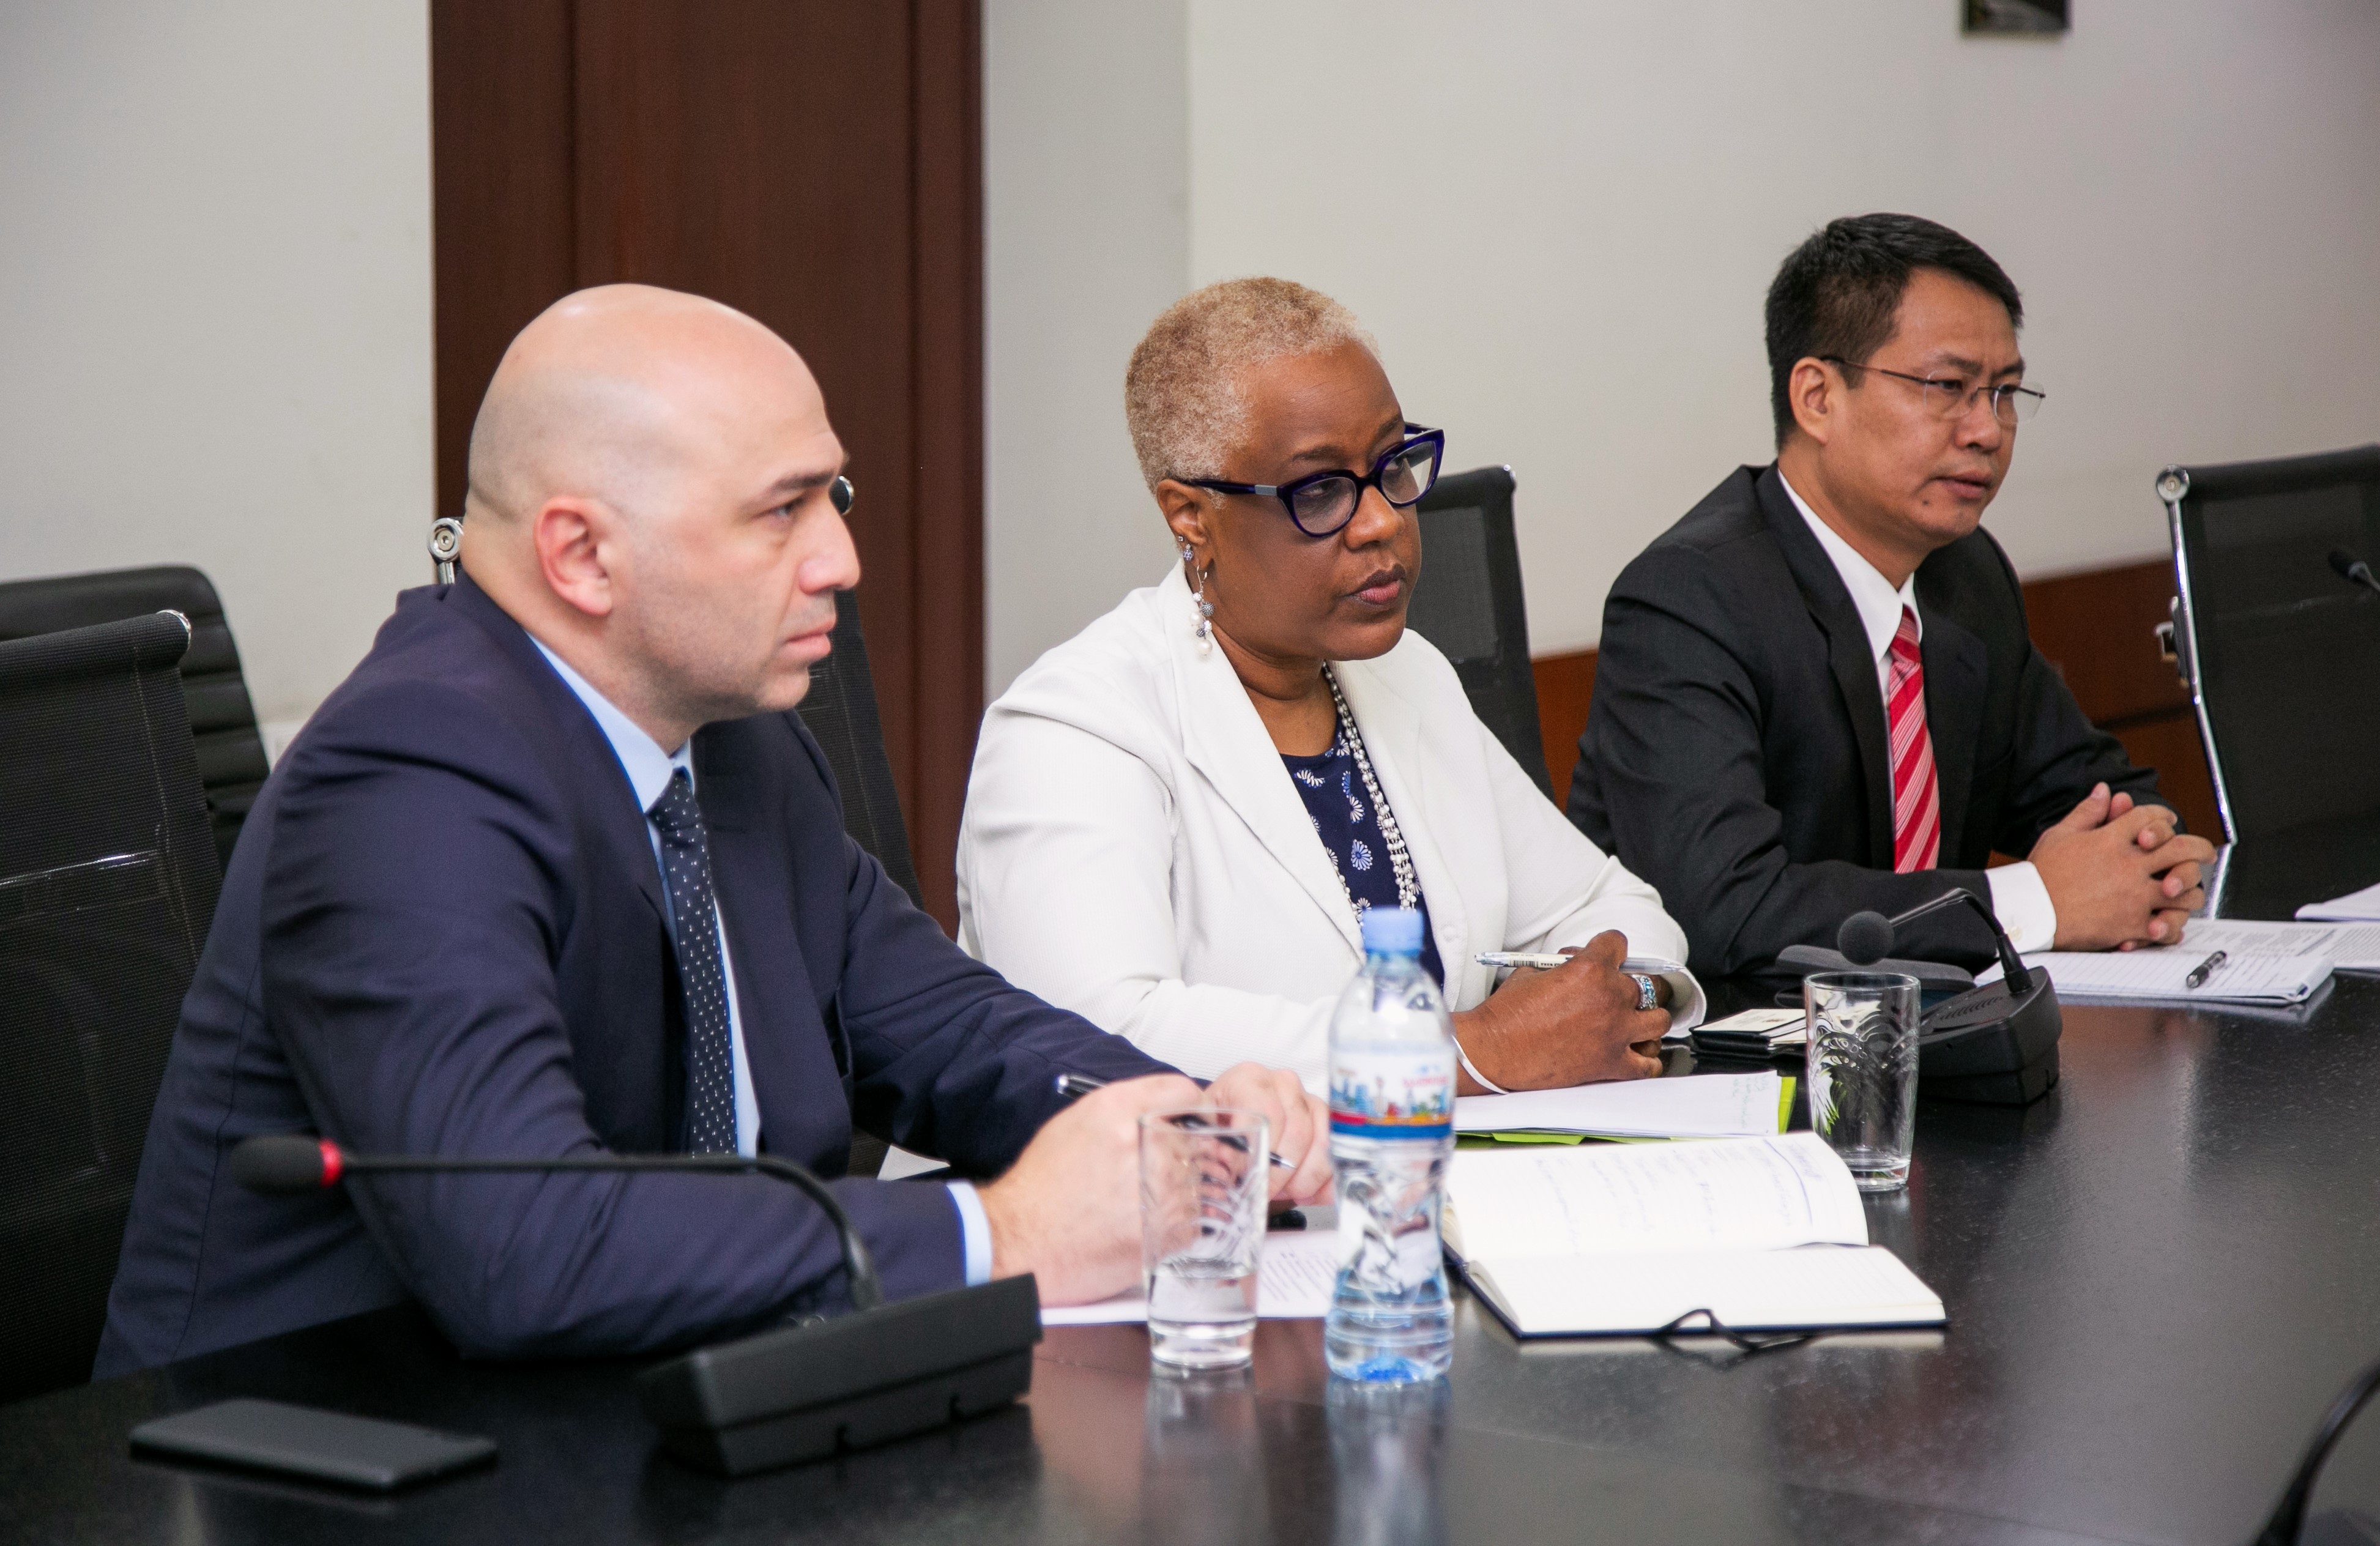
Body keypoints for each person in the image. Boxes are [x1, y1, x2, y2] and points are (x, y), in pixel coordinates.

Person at [96, 285, 1331, 1377]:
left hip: (678, 1404)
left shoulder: (733, 743)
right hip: (333, 1453)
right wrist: (1003, 1232)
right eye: (781, 511)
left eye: (833, 495)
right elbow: (524, 1242)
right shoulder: (408, 776)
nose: (842, 558)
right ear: (582, 554)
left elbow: (949, 1028)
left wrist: (1185, 1125)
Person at [956, 278, 1703, 1098]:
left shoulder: (1408, 675)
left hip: (1451, 1164)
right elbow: (1092, 1040)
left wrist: (1606, 1002)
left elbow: (1606, 903)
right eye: (1319, 491)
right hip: (1204, 1178)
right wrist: (1475, 1051)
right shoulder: (1073, 730)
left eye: (1392, 465)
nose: (1381, 520)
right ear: (1190, 516)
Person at [1569, 214, 2214, 976]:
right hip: (1744, 1042)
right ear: (1816, 398)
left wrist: (2148, 861)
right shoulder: (1686, 600)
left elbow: (2102, 797)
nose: (1986, 430)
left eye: (2004, 393)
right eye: (1947, 388)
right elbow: (1721, 911)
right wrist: (2031, 902)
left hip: (1934, 1026)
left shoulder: (1965, 574)